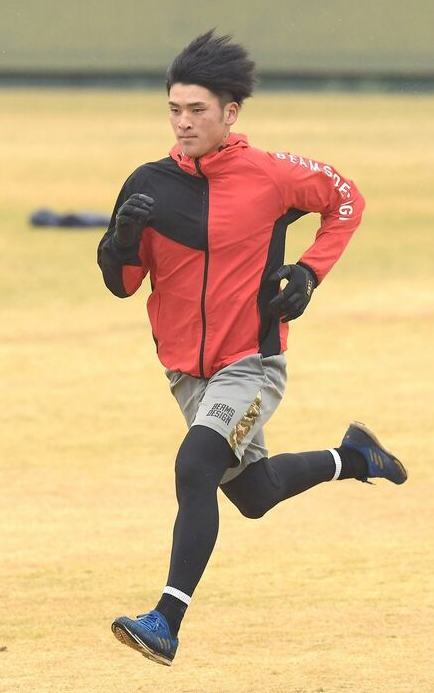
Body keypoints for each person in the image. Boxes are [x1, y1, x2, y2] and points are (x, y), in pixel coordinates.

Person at [97, 30, 407, 667]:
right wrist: (123, 239)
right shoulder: (148, 184)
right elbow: (123, 286)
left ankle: (165, 620)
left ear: (230, 113)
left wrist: (310, 272)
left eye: (197, 111)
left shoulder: (271, 174)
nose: (183, 123)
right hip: (187, 374)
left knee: (195, 467)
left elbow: (346, 198)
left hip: (251, 363)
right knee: (254, 494)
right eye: (174, 110)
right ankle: (354, 456)